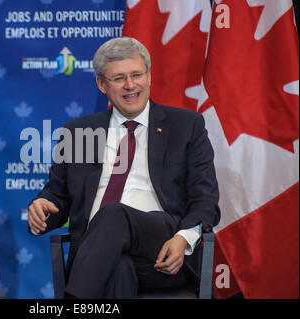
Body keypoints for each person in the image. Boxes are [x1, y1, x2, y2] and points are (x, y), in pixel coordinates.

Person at [27, 37, 220, 299]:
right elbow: (57, 196)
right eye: (118, 78)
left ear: (149, 76)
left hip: (162, 248)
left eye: (137, 75)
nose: (130, 85)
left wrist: (183, 239)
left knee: (114, 214)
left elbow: (205, 200)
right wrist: (42, 207)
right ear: (102, 84)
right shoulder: (79, 132)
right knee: (118, 268)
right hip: (98, 254)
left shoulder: (186, 126)